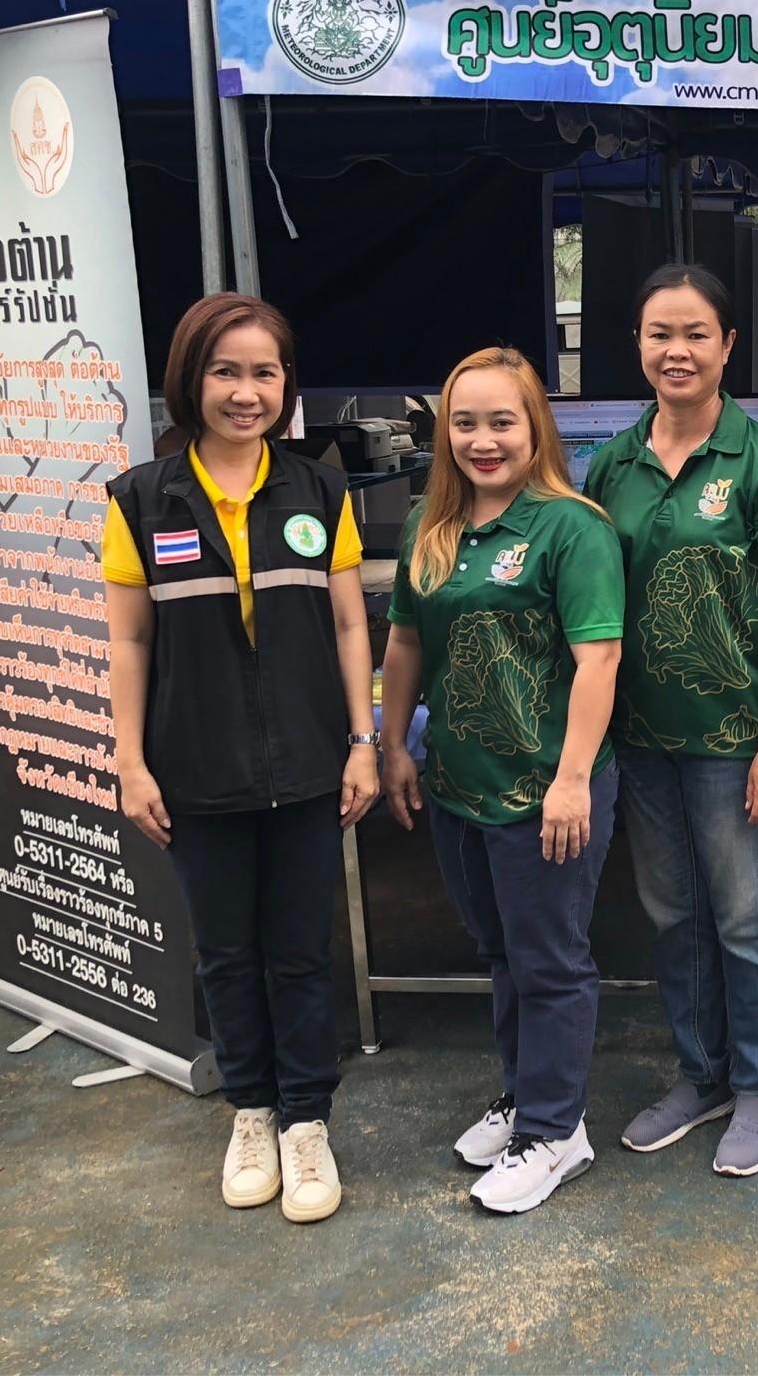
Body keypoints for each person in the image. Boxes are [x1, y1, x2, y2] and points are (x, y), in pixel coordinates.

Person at [102, 293, 377, 1225]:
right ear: (192, 378)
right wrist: (131, 761)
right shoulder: (140, 499)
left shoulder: (320, 492)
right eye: (226, 371)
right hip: (195, 766)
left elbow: (351, 624)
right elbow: (129, 641)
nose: (246, 392)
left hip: (307, 760)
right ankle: (251, 1111)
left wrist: (363, 742)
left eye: (265, 372)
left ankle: (306, 1120)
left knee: (299, 951)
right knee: (224, 954)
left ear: (285, 384)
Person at [378, 346, 625, 1216]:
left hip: (545, 790)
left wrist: (573, 779)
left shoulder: (572, 528)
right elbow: (405, 641)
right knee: (501, 950)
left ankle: (556, 1131)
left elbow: (599, 660)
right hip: (459, 783)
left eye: (502, 422)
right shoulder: (430, 524)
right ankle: (525, 1093)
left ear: (535, 429)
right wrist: (392, 745)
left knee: (550, 959)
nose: (483, 440)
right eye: (465, 422)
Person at [587, 266, 758, 1178]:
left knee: (746, 917)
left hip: (733, 740)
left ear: (728, 345)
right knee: (672, 914)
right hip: (641, 737)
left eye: (695, 334)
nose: (676, 351)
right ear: (637, 345)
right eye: (659, 334)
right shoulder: (613, 465)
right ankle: (703, 1075)